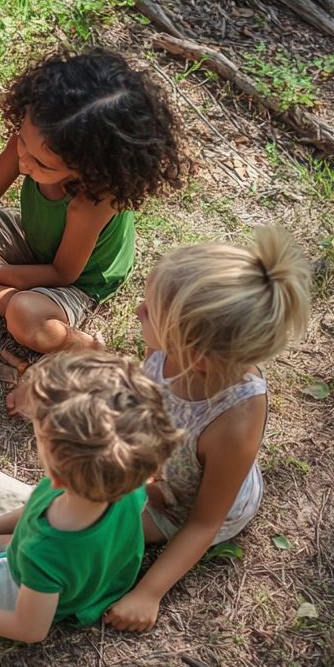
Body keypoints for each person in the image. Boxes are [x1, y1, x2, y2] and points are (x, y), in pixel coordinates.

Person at [0, 50, 190, 387]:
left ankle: (81, 343)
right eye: (23, 147)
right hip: (32, 238)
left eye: (42, 165)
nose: (26, 163)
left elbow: (62, 273)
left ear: (90, 169)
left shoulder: (92, 201)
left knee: (26, 317)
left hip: (79, 280)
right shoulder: (34, 145)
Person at [0, 350, 180, 642]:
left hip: (29, 586)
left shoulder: (45, 549)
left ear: (58, 472)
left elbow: (29, 629)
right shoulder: (122, 474)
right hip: (65, 555)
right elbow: (37, 510)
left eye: (37, 430)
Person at [105, 228, 311, 632]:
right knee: (78, 488)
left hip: (184, 509)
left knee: (94, 523)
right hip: (162, 469)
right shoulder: (169, 349)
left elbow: (203, 522)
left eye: (150, 311)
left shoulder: (234, 422)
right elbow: (148, 393)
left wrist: (149, 592)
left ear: (193, 355)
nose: (138, 311)